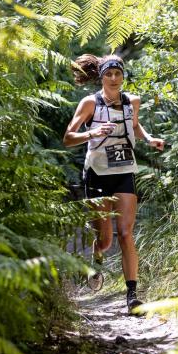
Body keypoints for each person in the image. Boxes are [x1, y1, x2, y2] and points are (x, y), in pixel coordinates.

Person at [63, 54, 165, 314]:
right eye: (109, 74)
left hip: (124, 171)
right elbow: (68, 138)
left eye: (118, 74)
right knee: (105, 240)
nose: (113, 78)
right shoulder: (90, 103)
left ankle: (132, 295)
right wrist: (92, 133)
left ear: (122, 76)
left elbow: (133, 125)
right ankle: (97, 261)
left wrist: (149, 138)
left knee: (126, 232)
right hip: (97, 173)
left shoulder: (132, 101)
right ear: (101, 76)